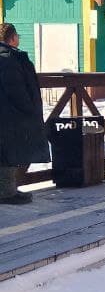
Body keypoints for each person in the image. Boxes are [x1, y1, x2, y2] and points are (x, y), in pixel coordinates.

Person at [0, 23, 49, 205]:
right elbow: (16, 89)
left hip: (7, 114)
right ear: (12, 38)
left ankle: (9, 189)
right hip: (12, 115)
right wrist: (29, 108)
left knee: (7, 153)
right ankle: (6, 193)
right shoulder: (8, 58)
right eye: (17, 35)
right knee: (10, 153)